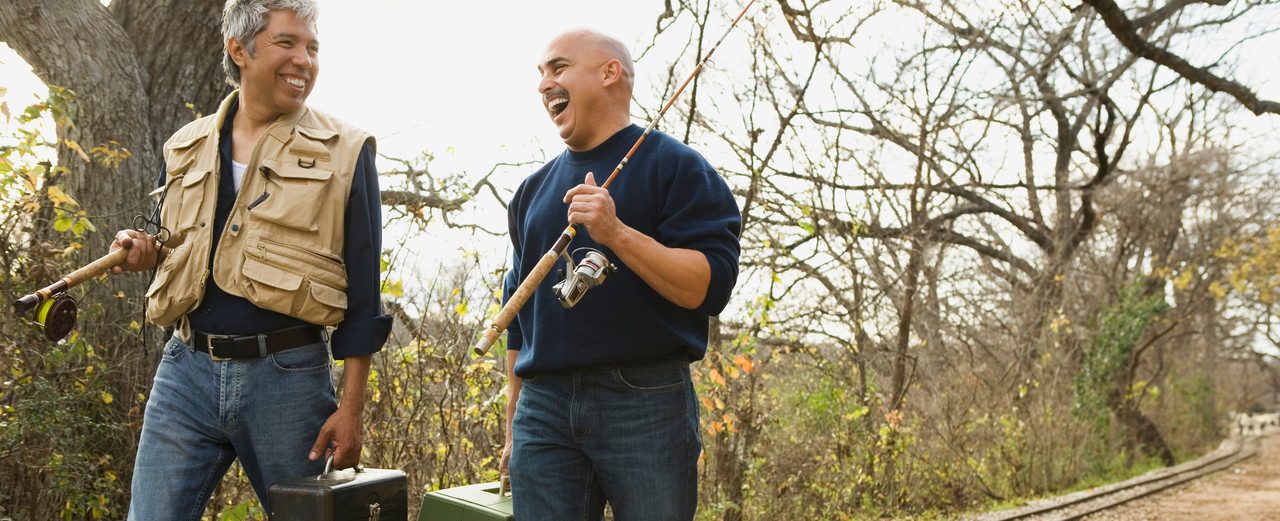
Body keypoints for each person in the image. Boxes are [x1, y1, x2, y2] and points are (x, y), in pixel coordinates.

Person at [110, 0, 391, 517]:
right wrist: (144, 252)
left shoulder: (348, 152)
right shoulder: (185, 146)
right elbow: (181, 245)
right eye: (288, 43)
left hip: (287, 380)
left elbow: (365, 293)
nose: (304, 60)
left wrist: (350, 409)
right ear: (239, 49)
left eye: (312, 48)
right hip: (184, 372)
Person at [500, 29, 741, 520]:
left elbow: (708, 286)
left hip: (645, 402)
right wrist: (513, 427)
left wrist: (616, 233)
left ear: (610, 72)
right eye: (540, 74)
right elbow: (519, 319)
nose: (545, 83)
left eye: (558, 67)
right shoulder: (531, 191)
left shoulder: (678, 167)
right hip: (541, 410)